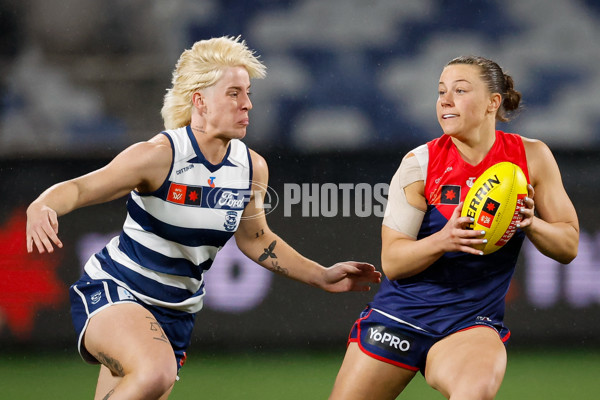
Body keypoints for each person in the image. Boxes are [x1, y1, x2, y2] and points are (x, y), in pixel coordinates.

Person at [26, 36, 381, 400]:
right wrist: (43, 204)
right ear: (200, 101)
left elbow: (257, 239)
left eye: (247, 93)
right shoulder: (160, 155)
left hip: (176, 313)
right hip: (116, 290)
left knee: (147, 378)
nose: (248, 104)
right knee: (154, 372)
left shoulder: (250, 167)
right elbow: (81, 188)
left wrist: (321, 275)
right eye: (234, 93)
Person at [329, 55, 579, 400]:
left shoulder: (531, 157)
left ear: (494, 102)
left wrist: (531, 222)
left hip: (471, 321)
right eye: (441, 91)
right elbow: (394, 262)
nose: (445, 100)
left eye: (460, 90)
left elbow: (568, 245)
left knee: (474, 394)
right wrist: (443, 240)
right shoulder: (419, 164)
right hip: (400, 314)